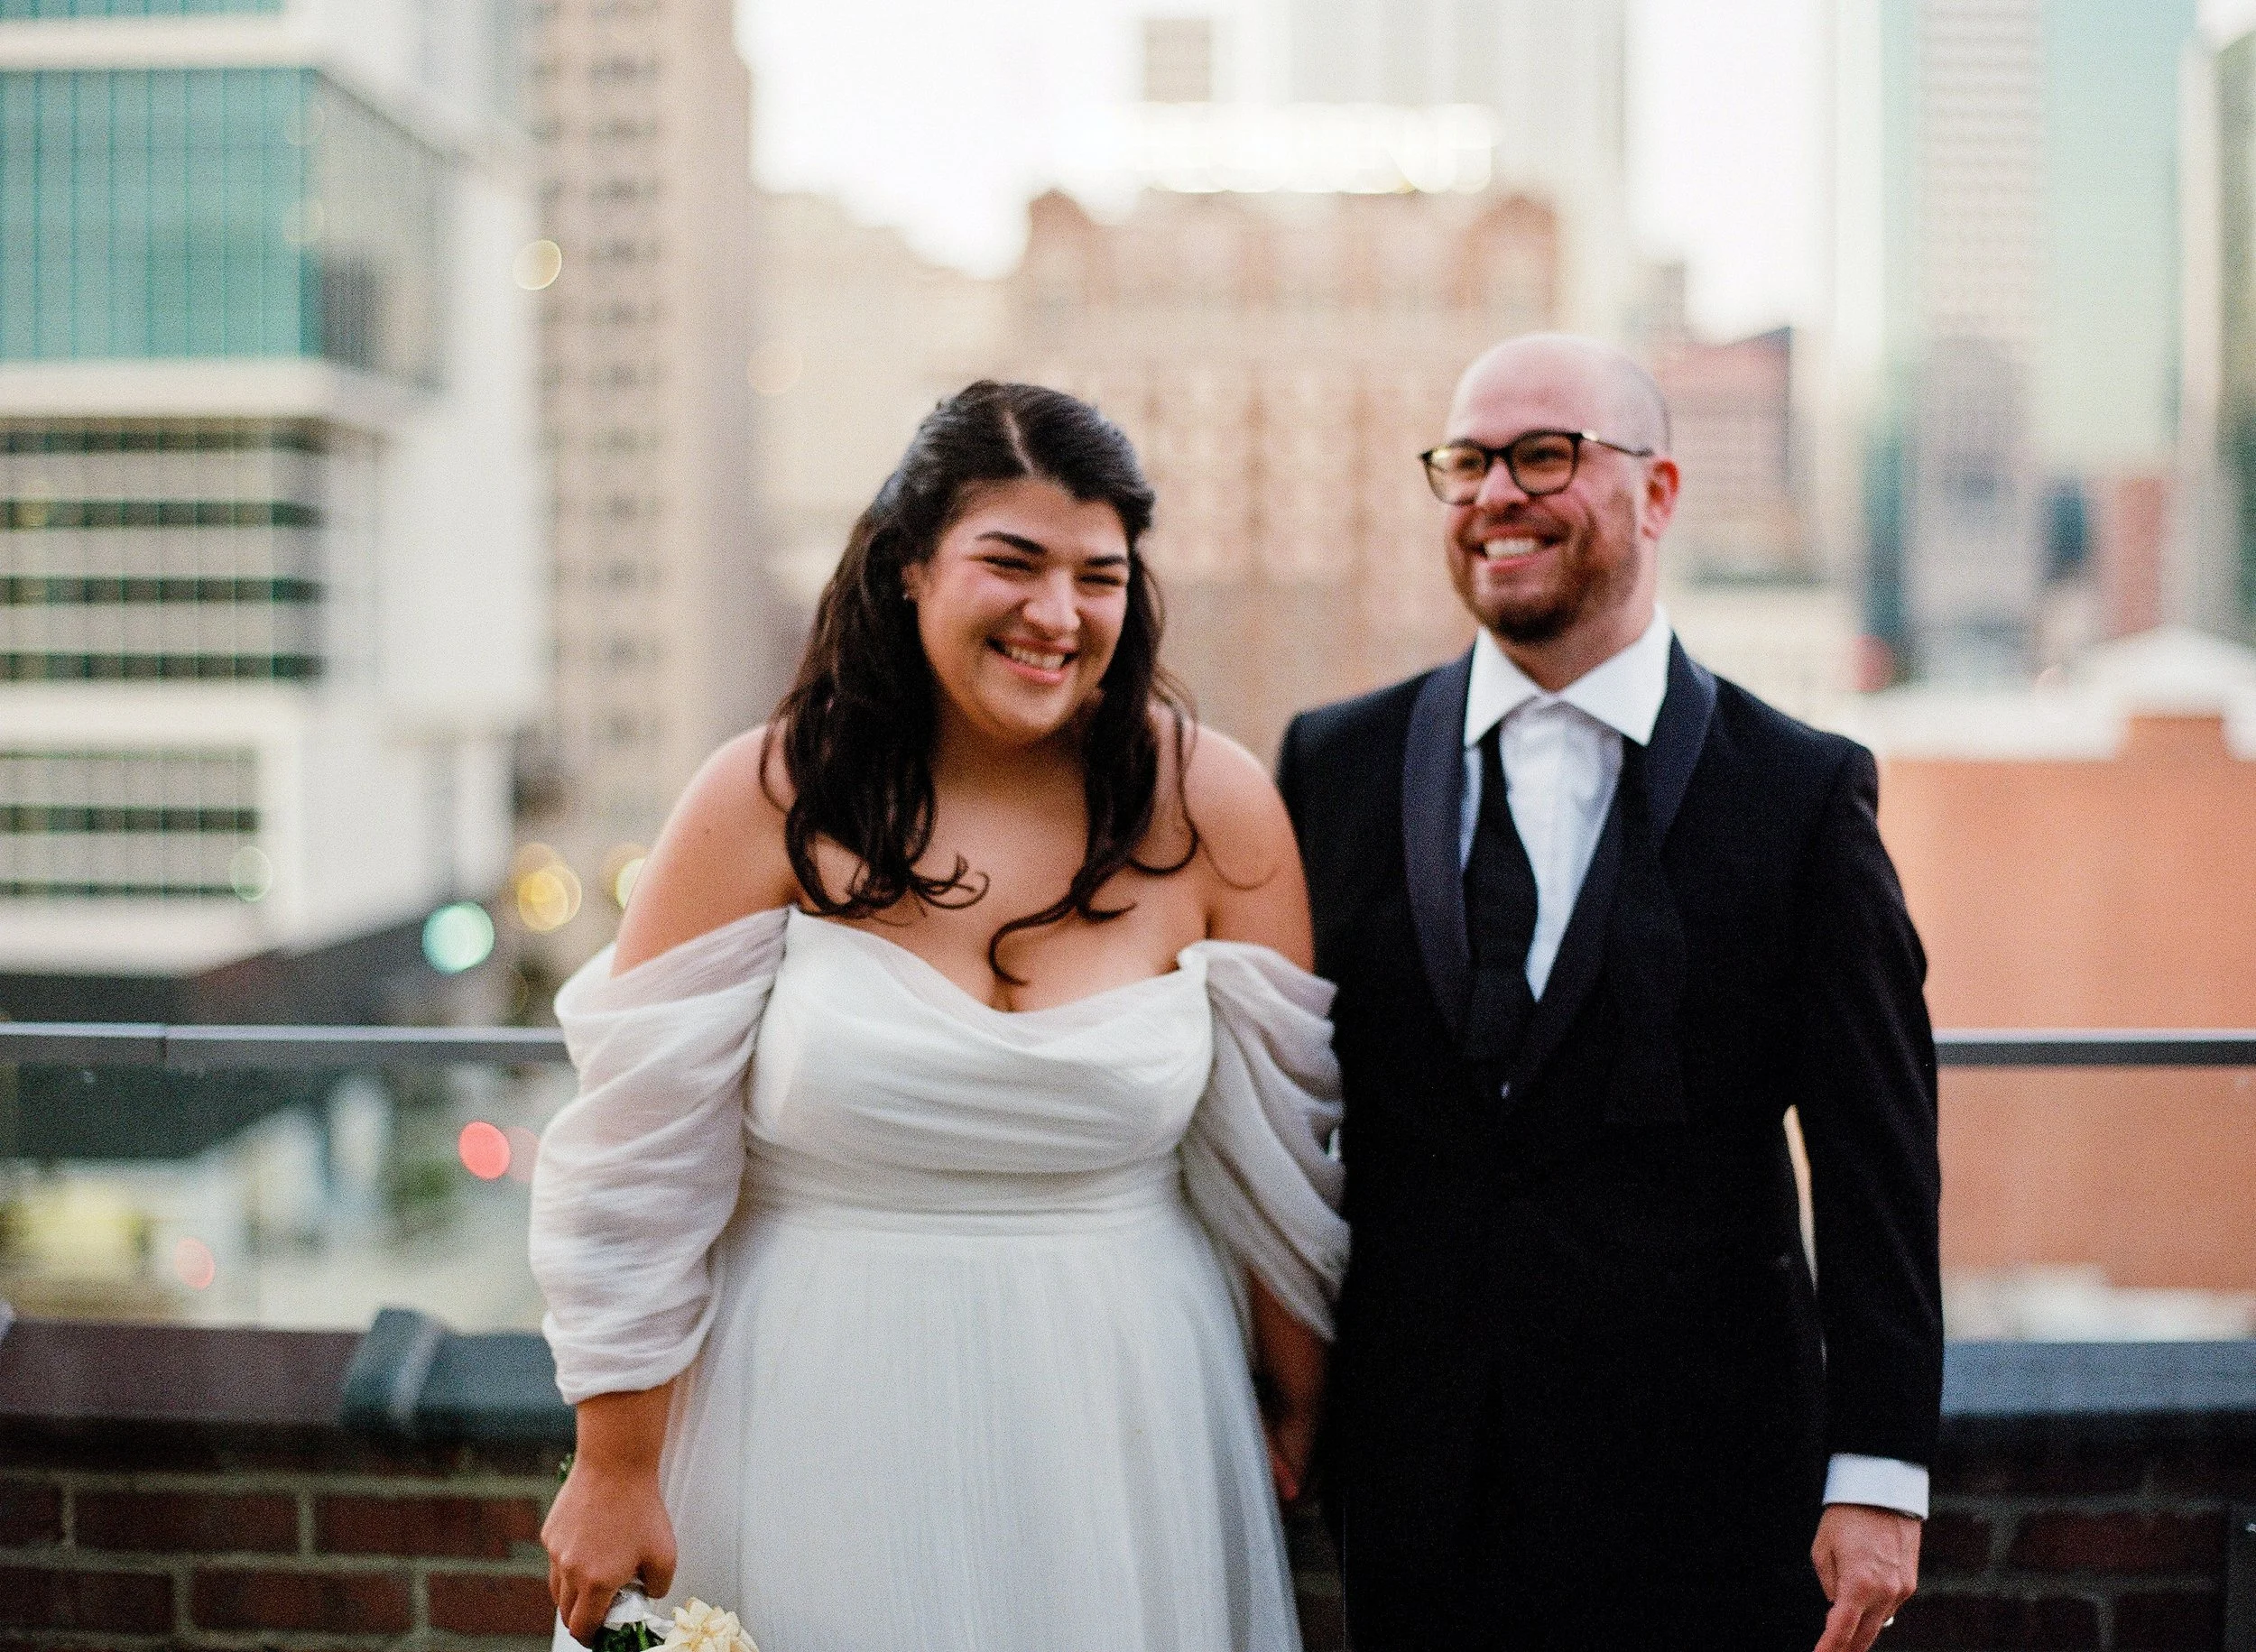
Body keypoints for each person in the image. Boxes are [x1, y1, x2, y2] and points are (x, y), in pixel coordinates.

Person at [531, 382, 1348, 1652]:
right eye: (1011, 563)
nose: (1057, 614)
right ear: (911, 568)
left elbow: (1284, 1147)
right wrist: (615, 1458)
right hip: (808, 1399)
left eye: (1099, 575)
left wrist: (1299, 1401)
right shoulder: (763, 795)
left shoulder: (1212, 805)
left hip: (1126, 1409)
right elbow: (637, 1150)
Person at [1277, 334, 1942, 1652]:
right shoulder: (1331, 765)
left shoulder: (1801, 792)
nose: (1494, 495)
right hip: (1418, 1480)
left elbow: (1880, 1155)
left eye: (1544, 455)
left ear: (1659, 492)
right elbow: (1275, 1107)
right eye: (1466, 461)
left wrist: (1879, 1470)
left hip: (1712, 1483)